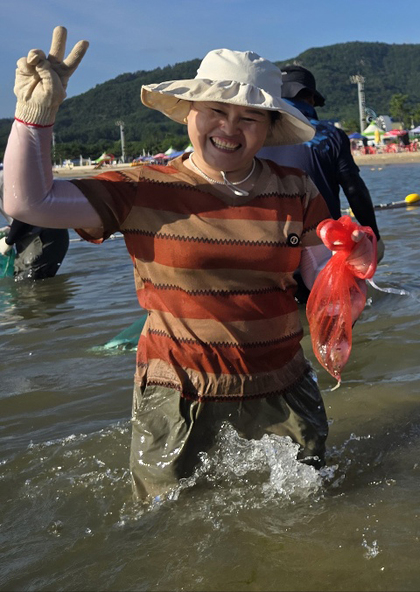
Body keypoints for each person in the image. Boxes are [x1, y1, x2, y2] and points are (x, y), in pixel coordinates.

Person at [3, 32, 358, 498]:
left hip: (284, 389)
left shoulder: (296, 188)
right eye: (215, 110)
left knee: (310, 510)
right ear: (189, 112)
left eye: (249, 117)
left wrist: (354, 266)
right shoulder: (143, 187)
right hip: (179, 395)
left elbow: (330, 292)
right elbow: (30, 202)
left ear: (269, 128)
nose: (229, 128)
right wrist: (36, 117)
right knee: (168, 523)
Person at [262, 65, 381, 255]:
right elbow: (354, 190)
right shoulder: (330, 135)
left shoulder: (253, 132)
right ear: (310, 98)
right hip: (322, 245)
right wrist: (374, 235)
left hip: (263, 244)